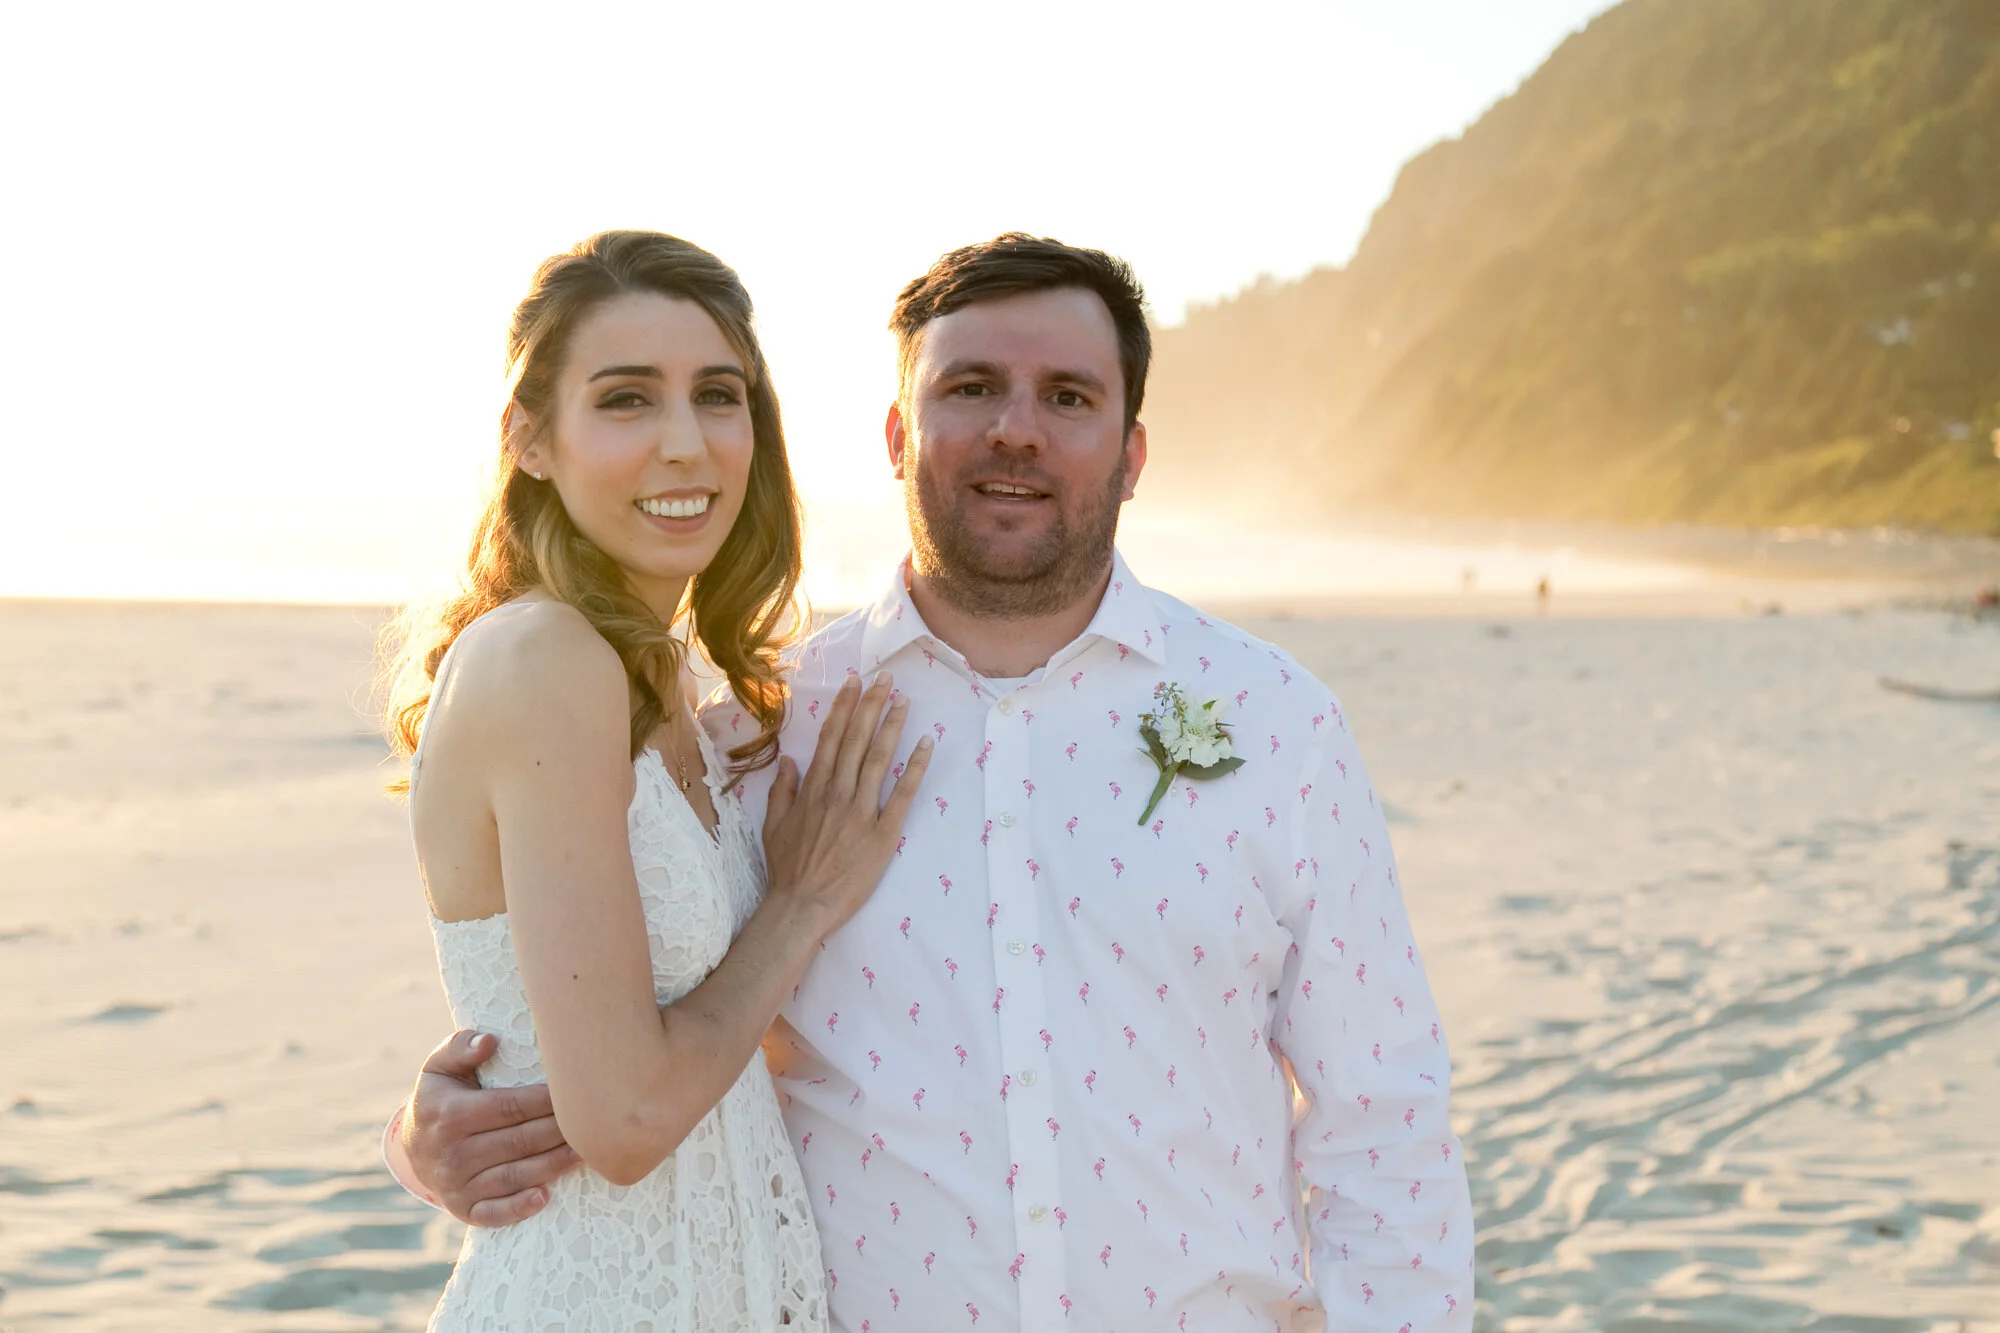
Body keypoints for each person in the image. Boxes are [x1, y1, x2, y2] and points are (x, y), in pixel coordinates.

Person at [390, 233, 1475, 1330]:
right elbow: (617, 1014)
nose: (1015, 428)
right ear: (899, 434)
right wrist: (431, 1128)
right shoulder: (763, 732)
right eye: (971, 388)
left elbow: (1380, 1122)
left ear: (1132, 452)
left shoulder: (1276, 725)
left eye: (1066, 395)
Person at [381, 230, 932, 1330]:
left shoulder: (661, 684)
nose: (685, 444)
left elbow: (694, 1040)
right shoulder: (544, 658)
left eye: (717, 397)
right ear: (530, 438)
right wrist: (802, 904)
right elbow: (626, 1119)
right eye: (627, 400)